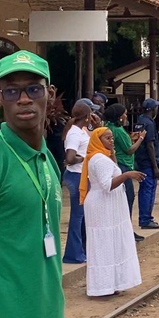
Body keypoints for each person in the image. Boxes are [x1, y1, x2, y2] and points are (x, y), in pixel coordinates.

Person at [0, 51, 64, 318]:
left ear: (50, 93)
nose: (24, 99)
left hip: (47, 316)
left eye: (33, 88)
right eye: (11, 91)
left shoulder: (47, 160)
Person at [81, 127, 144, 297]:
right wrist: (127, 175)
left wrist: (113, 153)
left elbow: (113, 167)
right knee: (104, 244)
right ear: (97, 140)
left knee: (112, 243)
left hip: (109, 207)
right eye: (107, 138)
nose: (111, 141)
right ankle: (103, 285)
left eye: (112, 138)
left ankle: (112, 283)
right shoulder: (99, 159)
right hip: (103, 206)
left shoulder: (104, 156)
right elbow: (106, 185)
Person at [104, 103, 146, 242]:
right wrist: (140, 139)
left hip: (118, 165)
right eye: (125, 113)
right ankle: (126, 231)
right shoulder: (118, 130)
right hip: (124, 166)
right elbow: (129, 150)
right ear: (119, 116)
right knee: (128, 198)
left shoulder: (109, 128)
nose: (126, 116)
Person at [62, 100, 93, 264]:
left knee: (82, 216)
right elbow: (70, 158)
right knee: (77, 216)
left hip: (82, 176)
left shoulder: (80, 131)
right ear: (87, 116)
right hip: (77, 176)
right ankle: (73, 254)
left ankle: (80, 250)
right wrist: (84, 159)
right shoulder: (74, 133)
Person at [134, 98, 159, 229]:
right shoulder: (149, 124)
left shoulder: (140, 121)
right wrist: (155, 166)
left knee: (144, 190)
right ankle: (146, 219)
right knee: (148, 190)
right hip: (148, 163)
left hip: (140, 161)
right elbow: (150, 145)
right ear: (152, 109)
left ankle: (145, 218)